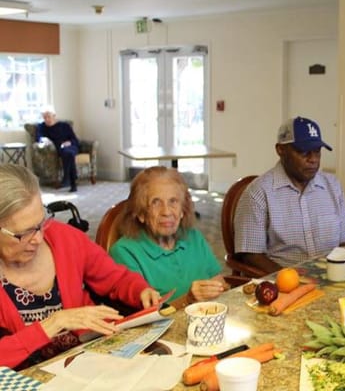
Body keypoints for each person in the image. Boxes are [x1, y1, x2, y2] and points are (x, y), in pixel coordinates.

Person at [0, 164, 160, 370]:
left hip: (88, 360)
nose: (39, 238)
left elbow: (115, 278)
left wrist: (140, 290)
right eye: (24, 233)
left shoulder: (64, 238)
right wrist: (53, 323)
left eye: (41, 223)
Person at [234, 116, 345, 273]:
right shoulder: (259, 193)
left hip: (332, 277)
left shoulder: (333, 186)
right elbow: (251, 254)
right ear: (280, 150)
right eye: (303, 152)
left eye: (317, 151)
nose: (313, 159)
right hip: (285, 284)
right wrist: (290, 278)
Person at [110, 166, 228, 309]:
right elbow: (142, 319)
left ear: (183, 210)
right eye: (156, 202)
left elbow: (220, 284)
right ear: (141, 213)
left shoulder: (193, 236)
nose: (166, 212)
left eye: (173, 201)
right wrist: (188, 300)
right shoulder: (124, 252)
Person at [35, 106, 80, 192]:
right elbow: (39, 137)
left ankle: (67, 179)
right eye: (45, 117)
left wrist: (69, 142)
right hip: (59, 149)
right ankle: (72, 181)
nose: (47, 119)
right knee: (67, 154)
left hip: (71, 146)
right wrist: (44, 140)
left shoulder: (65, 125)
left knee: (69, 153)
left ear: (54, 116)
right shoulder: (42, 127)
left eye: (49, 116)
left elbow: (75, 139)